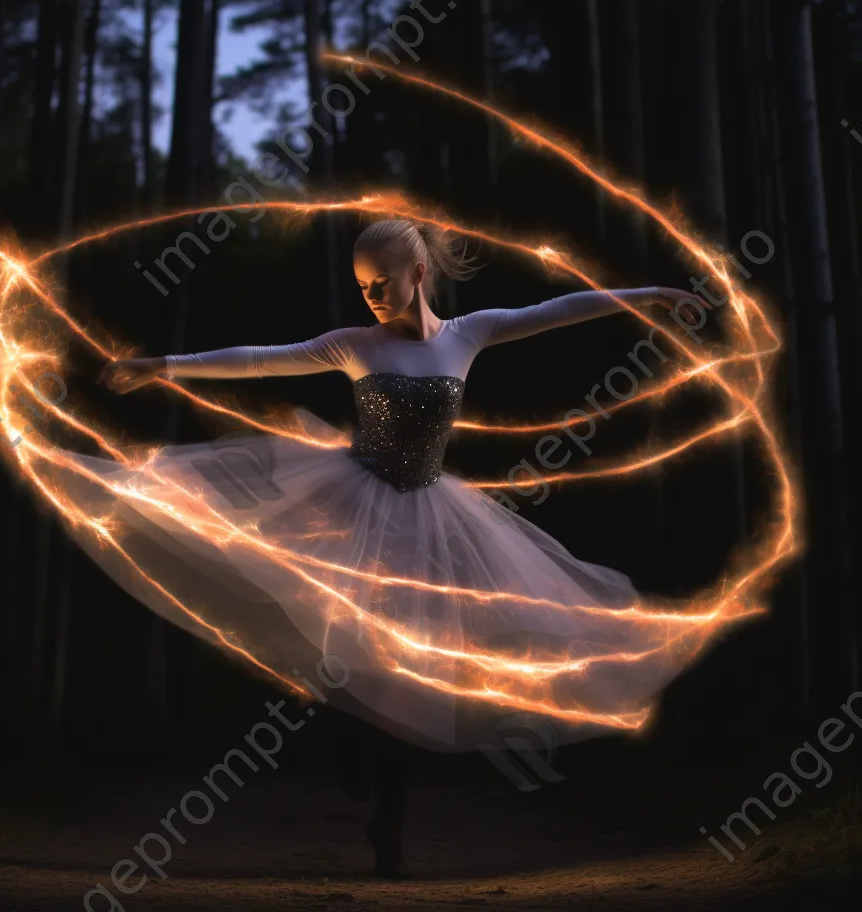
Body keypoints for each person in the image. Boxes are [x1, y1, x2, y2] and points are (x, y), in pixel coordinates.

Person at [83, 218, 707, 877]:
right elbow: (263, 357)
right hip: (356, 507)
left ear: (418, 275)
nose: (371, 294)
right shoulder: (354, 345)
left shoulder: (469, 335)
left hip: (433, 518)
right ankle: (347, 742)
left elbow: (555, 311)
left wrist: (649, 295)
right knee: (352, 655)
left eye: (381, 281)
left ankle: (390, 818)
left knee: (413, 677)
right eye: (361, 285)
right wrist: (164, 367)